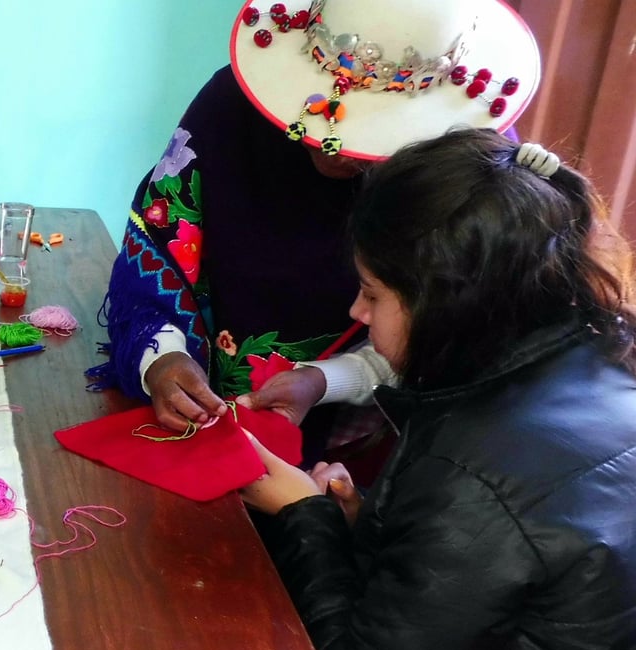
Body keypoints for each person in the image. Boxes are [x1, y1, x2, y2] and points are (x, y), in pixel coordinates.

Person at [238, 127, 636, 650]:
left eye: (373, 294)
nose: (356, 314)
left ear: (452, 303)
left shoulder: (471, 469)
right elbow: (512, 580)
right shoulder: (596, 360)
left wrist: (303, 515)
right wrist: (371, 525)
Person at [87, 0, 540, 462]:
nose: (332, 147)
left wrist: (326, 381)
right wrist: (161, 355)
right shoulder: (232, 107)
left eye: (370, 131)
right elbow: (159, 247)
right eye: (316, 114)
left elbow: (453, 337)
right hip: (199, 418)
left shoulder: (469, 178)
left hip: (366, 448)